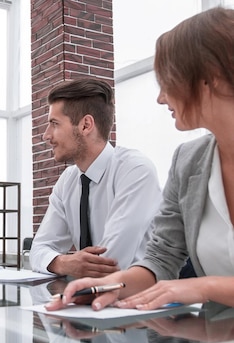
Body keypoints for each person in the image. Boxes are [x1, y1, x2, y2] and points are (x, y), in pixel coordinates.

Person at [46, 7, 234, 312]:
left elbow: (195, 283)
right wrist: (112, 285)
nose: (161, 97)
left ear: (210, 78)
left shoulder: (134, 168)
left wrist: (205, 286)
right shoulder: (189, 160)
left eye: (169, 80)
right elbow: (162, 258)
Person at [29, 78, 162, 278]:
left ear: (86, 125)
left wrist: (62, 262)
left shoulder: (135, 170)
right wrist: (64, 262)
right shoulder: (68, 181)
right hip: (94, 298)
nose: (46, 136)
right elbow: (38, 250)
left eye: (54, 124)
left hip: (142, 298)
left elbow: (107, 264)